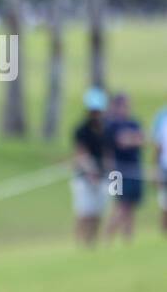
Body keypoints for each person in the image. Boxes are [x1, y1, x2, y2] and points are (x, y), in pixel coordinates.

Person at [71, 88, 110, 247]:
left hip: (103, 176)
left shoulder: (107, 128)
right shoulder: (82, 129)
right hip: (84, 177)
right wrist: (90, 171)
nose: (96, 113)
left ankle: (92, 243)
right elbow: (81, 153)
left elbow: (108, 152)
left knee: (98, 212)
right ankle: (79, 244)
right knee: (84, 213)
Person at [103, 93, 145, 241]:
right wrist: (131, 139)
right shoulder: (112, 125)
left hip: (134, 170)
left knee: (131, 206)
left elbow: (141, 140)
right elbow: (121, 142)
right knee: (120, 206)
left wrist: (131, 139)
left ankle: (128, 239)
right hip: (118, 172)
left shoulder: (134, 123)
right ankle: (107, 238)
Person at [153, 102, 167, 234]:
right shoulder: (162, 116)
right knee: (165, 203)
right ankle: (164, 233)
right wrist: (155, 168)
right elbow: (157, 145)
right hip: (165, 166)